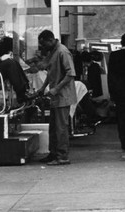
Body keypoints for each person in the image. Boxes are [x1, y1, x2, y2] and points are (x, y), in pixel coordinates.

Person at [35, 30, 77, 166]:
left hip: (63, 96)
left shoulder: (62, 51)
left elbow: (71, 74)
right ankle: (53, 154)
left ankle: (62, 157)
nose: (43, 47)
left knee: (61, 128)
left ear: (50, 40)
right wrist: (43, 88)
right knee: (53, 127)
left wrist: (56, 89)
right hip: (56, 97)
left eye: (43, 44)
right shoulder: (53, 51)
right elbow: (51, 73)